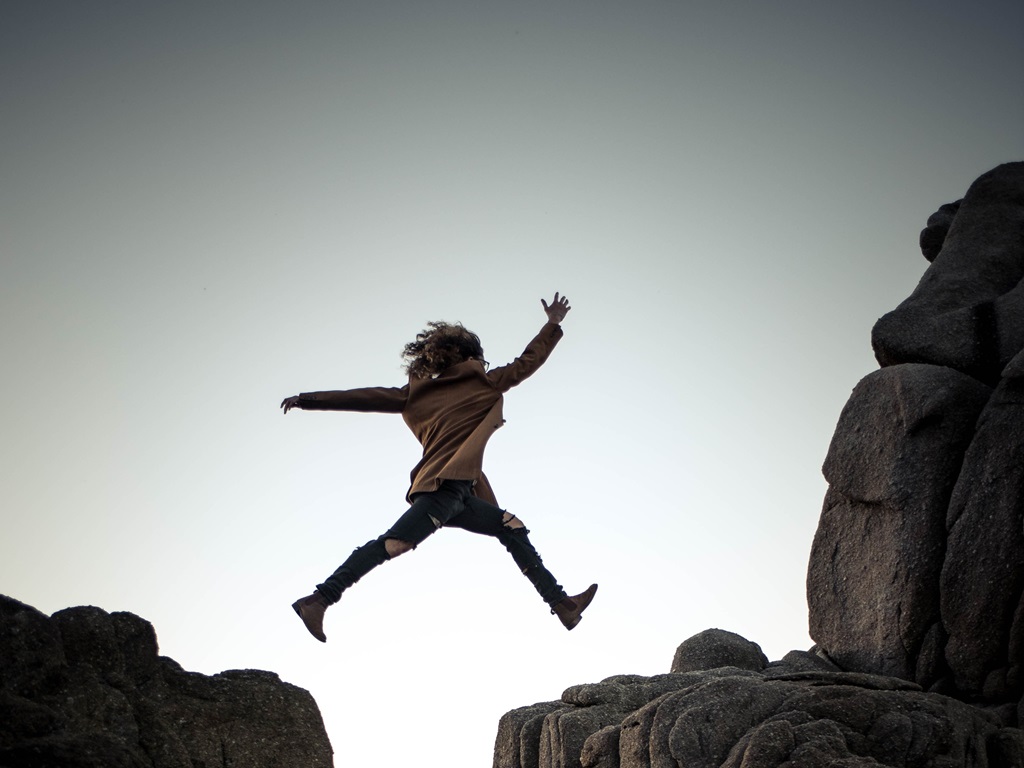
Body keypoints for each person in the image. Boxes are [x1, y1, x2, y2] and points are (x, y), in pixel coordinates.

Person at [281, 292, 597, 642]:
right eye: (481, 357)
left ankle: (562, 605)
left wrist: (308, 400)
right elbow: (527, 362)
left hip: (461, 492)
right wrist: (552, 324)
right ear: (470, 357)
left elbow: (362, 396)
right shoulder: (483, 382)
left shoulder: (415, 393)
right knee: (394, 543)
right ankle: (320, 599)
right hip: (442, 489)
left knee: (511, 527)